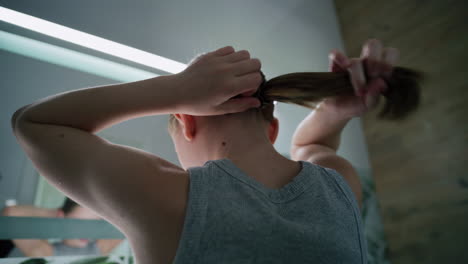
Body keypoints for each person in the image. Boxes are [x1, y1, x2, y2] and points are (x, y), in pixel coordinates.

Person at [10, 39, 422, 264]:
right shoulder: (338, 186)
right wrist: (334, 112)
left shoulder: (172, 199)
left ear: (186, 122)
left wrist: (177, 90)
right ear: (273, 128)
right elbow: (312, 147)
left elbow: (33, 124)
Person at [2, 198, 123, 257]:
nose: (87, 233)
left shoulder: (99, 249)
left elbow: (133, 220)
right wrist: (57, 214)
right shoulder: (46, 253)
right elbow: (10, 213)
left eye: (94, 224)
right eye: (79, 224)